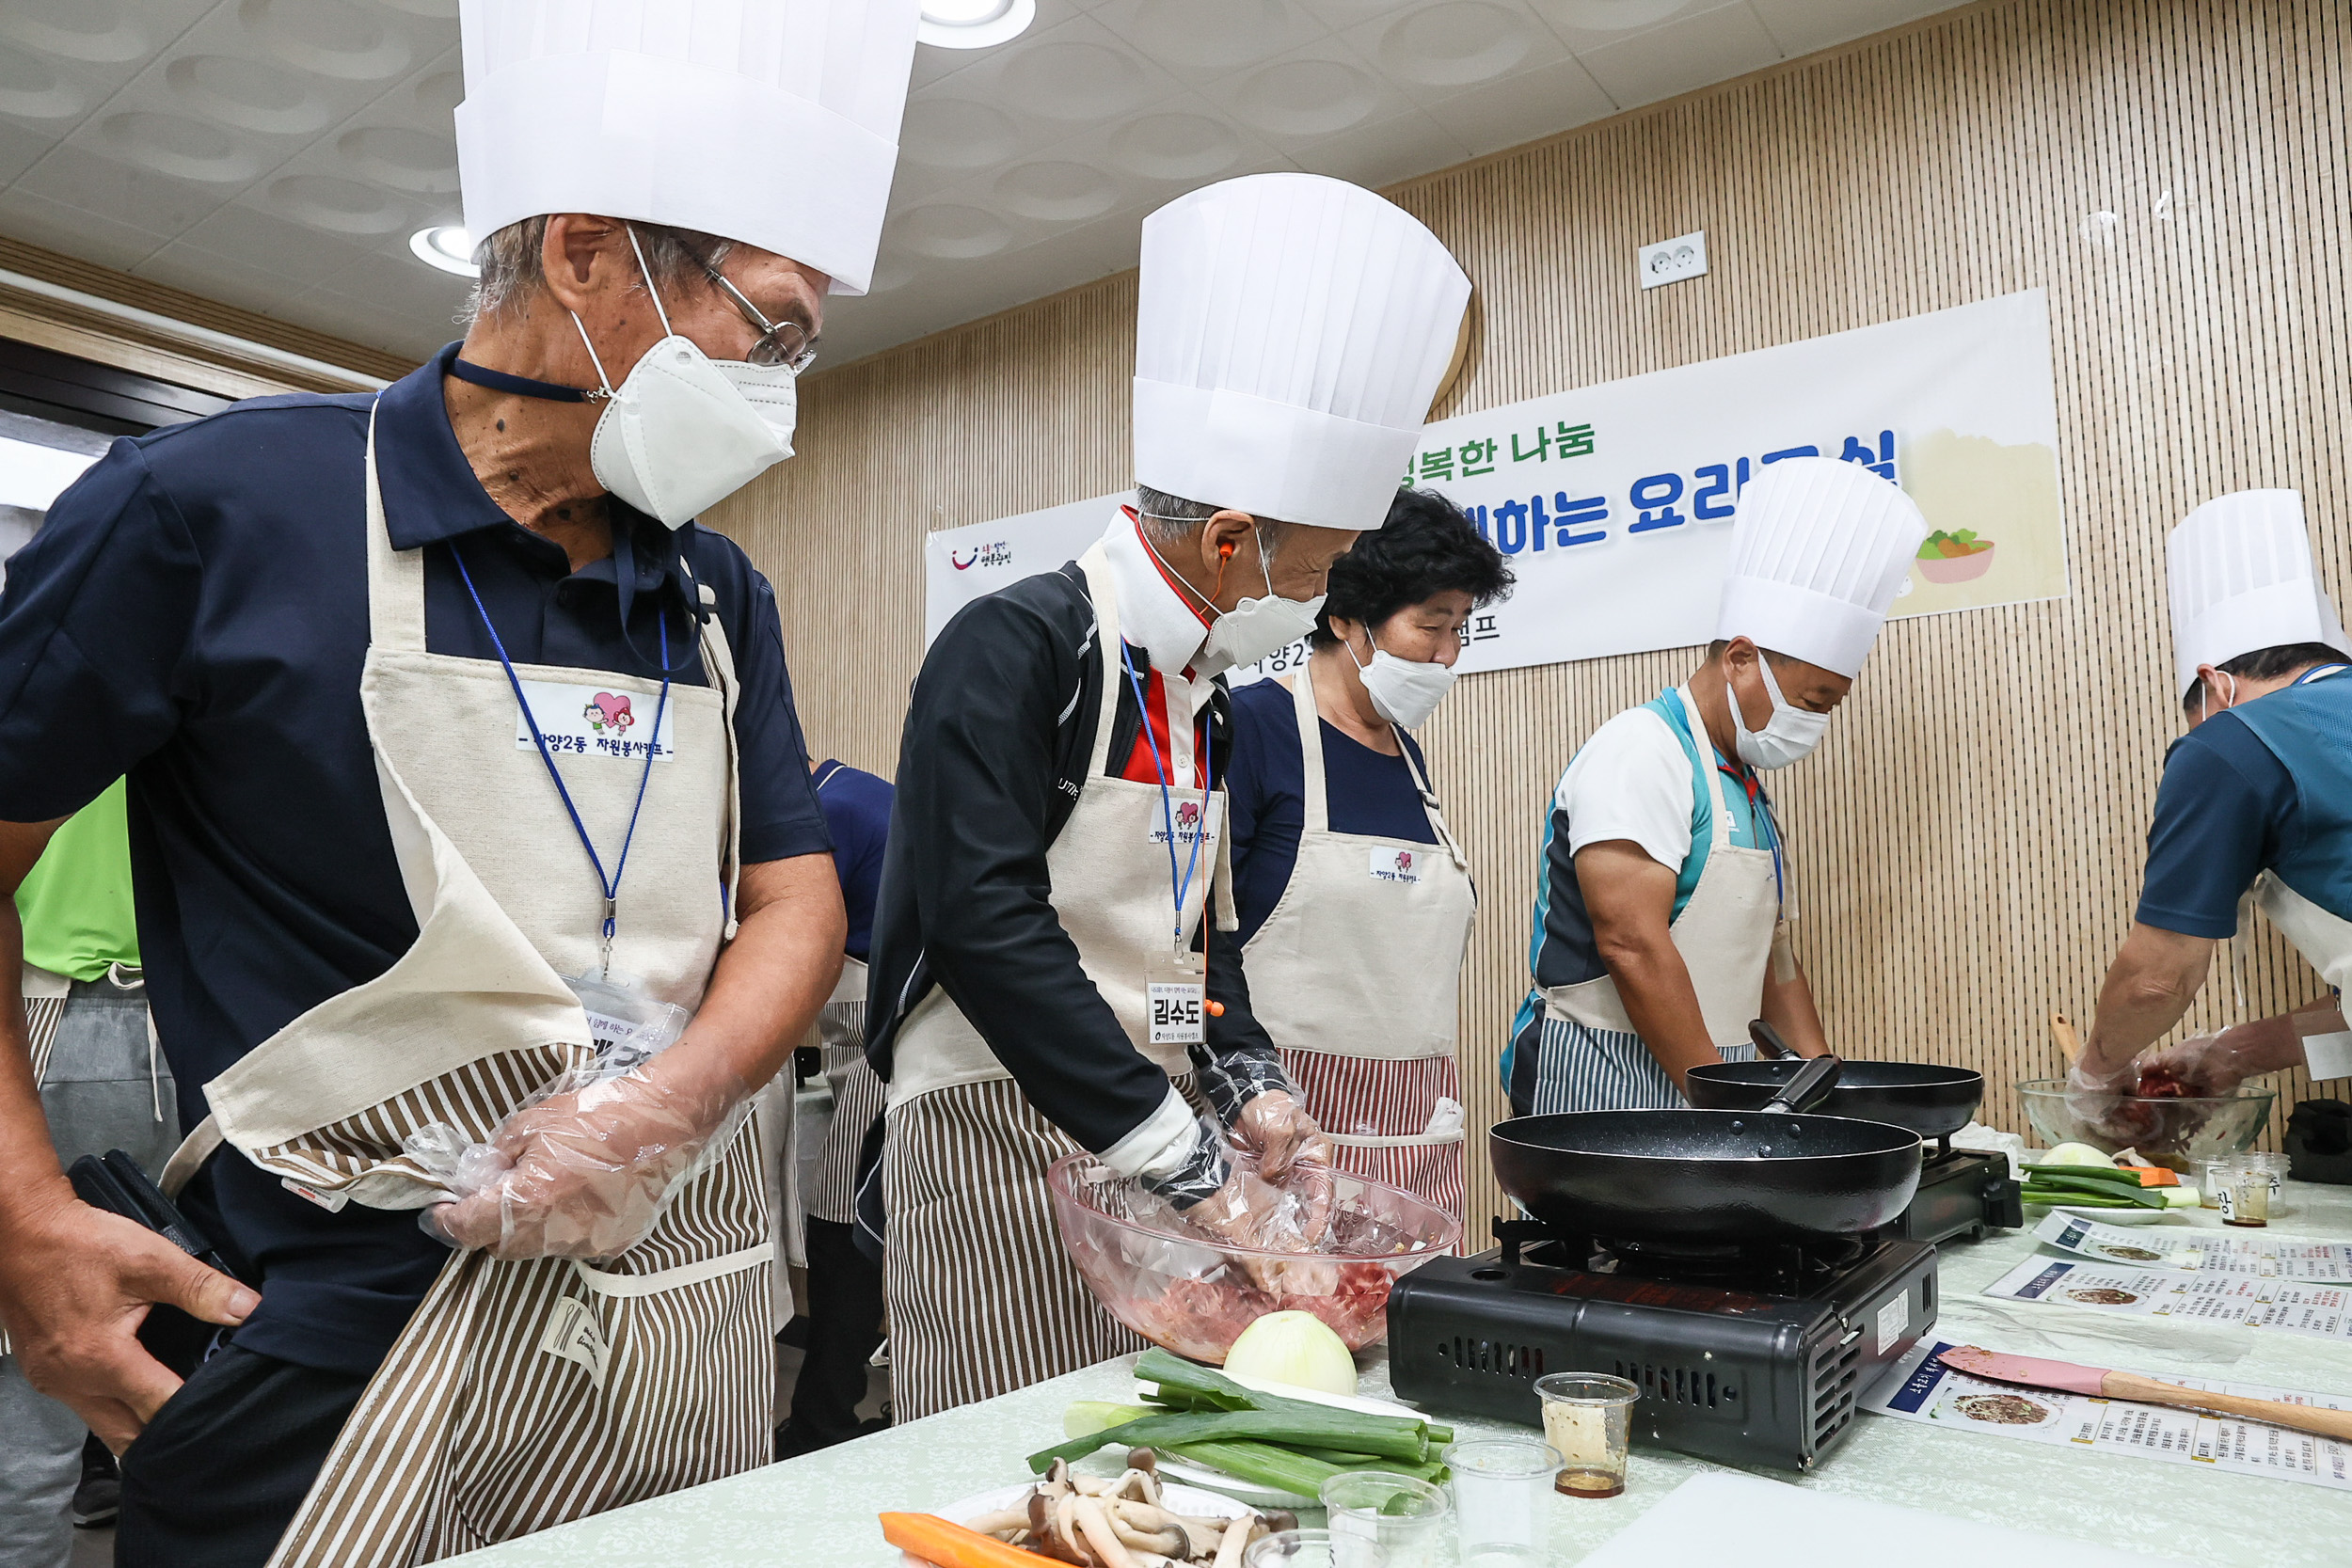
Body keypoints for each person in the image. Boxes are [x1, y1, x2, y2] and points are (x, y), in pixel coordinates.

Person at [0, 3, 916, 1563]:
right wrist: (23, 1221)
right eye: (768, 334)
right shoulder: (217, 508)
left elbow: (793, 898)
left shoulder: (714, 593)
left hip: (673, 1309)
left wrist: (669, 1099)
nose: (776, 393)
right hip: (334, 1330)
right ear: (582, 254)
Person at [864, 172, 1471, 1420]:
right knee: (1004, 1456)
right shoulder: (1017, 644)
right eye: (1316, 559)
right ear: (1232, 539)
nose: (1321, 585)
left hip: (1143, 1130)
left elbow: (1193, 942)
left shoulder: (1195, 686)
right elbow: (984, 923)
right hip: (994, 1123)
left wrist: (1246, 1076)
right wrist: (1182, 1150)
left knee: (1136, 1456)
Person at [1504, 456, 1929, 1114]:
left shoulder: (1746, 786)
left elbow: (1770, 957)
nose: (1813, 722)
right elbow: (1631, 942)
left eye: (1827, 707)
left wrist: (1827, 1098)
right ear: (1739, 659)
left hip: (1705, 1089)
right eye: (1812, 699)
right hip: (1604, 1085)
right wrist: (1724, 1104)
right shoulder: (1641, 751)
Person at [1223, 490, 1511, 1221]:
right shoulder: (1254, 729)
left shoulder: (1406, 755)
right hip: (1283, 1141)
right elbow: (1198, 941)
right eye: (1431, 625)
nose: (1448, 655)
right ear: (1346, 618)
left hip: (1417, 1147)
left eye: (1461, 629)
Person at [2073, 489, 2352, 1100]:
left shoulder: (2233, 740)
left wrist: (2093, 1075)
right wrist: (2233, 1052)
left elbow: (2156, 980)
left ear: (2213, 685)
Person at [1, 782, 173, 1568]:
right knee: (239, 1358)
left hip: (50, 1008)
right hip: (224, 1008)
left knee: (29, 1394)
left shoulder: (52, 663)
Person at [776, 754, 894, 1458]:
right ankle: (834, 1405)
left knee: (840, 1219)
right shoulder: (854, 791)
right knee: (858, 1217)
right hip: (886, 1029)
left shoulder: (822, 813)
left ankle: (824, 1418)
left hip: (899, 1029)